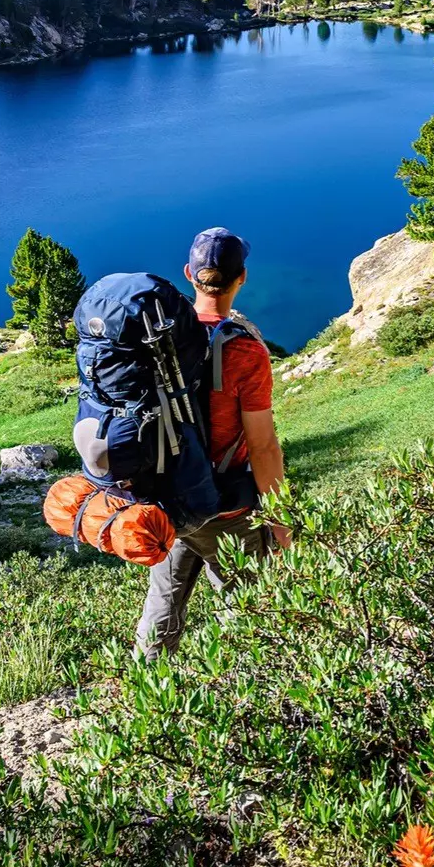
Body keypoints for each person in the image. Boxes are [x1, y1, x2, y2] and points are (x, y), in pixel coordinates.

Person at [134, 226, 288, 659]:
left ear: (189, 273)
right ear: (242, 278)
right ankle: (236, 696)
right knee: (251, 611)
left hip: (168, 498)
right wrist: (281, 520)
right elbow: (263, 448)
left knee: (163, 604)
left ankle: (146, 697)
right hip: (227, 509)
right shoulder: (245, 352)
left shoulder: (157, 342)